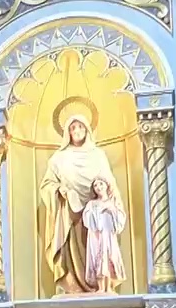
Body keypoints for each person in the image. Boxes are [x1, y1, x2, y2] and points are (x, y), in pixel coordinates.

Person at [39, 114, 123, 295]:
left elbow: (110, 183)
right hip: (71, 215)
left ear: (87, 130)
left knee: (101, 250)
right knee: (73, 252)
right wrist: (59, 190)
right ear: (68, 132)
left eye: (80, 127)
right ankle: (74, 285)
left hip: (98, 218)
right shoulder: (59, 158)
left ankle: (102, 286)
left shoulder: (98, 155)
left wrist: (114, 204)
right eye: (73, 128)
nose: (77, 131)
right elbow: (47, 185)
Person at [82, 177, 128, 294]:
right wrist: (94, 212)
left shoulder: (113, 202)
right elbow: (86, 219)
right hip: (96, 236)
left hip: (108, 235)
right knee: (97, 258)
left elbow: (120, 218)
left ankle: (109, 287)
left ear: (107, 185)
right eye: (95, 186)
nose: (98, 187)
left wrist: (111, 209)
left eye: (101, 184)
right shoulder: (92, 204)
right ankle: (101, 287)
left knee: (108, 257)